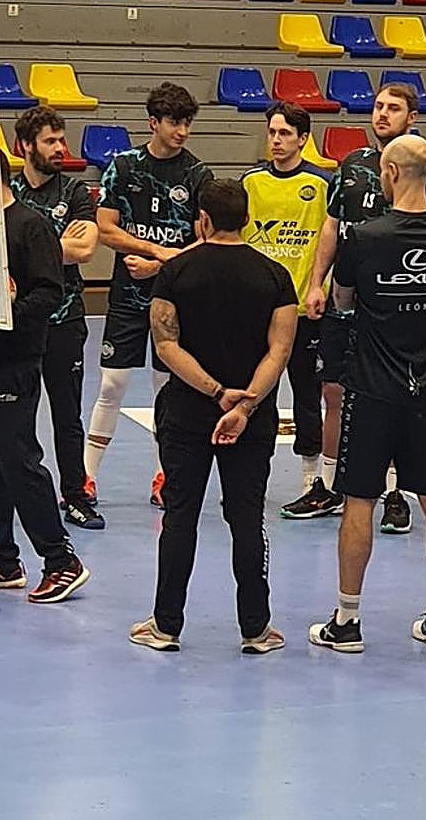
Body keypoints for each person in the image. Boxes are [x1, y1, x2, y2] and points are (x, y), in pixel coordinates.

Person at [307, 136, 426, 654]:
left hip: (372, 389)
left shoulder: (366, 236)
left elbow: (343, 298)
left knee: (359, 500)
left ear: (392, 173)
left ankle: (347, 621)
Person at [129, 179, 296, 654]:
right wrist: (244, 404)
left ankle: (166, 625)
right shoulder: (275, 275)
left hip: (187, 412)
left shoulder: (176, 272)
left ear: (201, 218)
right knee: (247, 517)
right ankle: (256, 628)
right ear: (245, 218)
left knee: (180, 514)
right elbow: (280, 349)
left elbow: (166, 345)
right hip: (254, 415)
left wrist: (216, 393)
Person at [302, 83, 426, 535]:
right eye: (378, 106)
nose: (382, 114)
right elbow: (332, 225)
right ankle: (327, 484)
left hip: (393, 299)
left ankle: (393, 494)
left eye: (394, 109)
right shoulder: (352, 165)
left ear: (412, 119)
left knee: (388, 397)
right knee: (333, 390)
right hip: (346, 298)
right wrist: (316, 283)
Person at [0, 151, 89, 603]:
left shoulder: (30, 226)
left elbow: (50, 292)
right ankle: (1, 559)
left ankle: (61, 560)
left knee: (17, 461)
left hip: (12, 361)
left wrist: (2, 315)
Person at [86, 82, 213, 508]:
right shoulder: (123, 167)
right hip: (127, 295)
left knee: (167, 389)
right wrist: (152, 250)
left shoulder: (197, 175)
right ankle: (86, 479)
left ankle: (165, 476)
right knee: (113, 383)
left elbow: (211, 238)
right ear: (153, 123)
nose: (182, 132)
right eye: (174, 123)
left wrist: (161, 264)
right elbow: (105, 228)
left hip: (174, 298)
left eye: (187, 123)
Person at [10, 106, 104, 530]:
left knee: (67, 414)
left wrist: (26, 250)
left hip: (65, 319)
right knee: (16, 415)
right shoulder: (7, 191)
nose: (60, 149)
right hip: (19, 322)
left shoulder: (77, 194)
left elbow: (84, 250)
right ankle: (12, 494)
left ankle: (75, 495)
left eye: (61, 139)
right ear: (25, 146)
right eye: (50, 141)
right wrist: (53, 247)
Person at [239, 102, 334, 519]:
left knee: (308, 397)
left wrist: (318, 289)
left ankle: (313, 483)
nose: (276, 141)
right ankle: (250, 482)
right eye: (272, 132)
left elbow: (328, 244)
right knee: (256, 395)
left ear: (302, 138)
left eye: (284, 134)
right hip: (257, 310)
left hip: (305, 310)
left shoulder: (321, 184)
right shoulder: (251, 182)